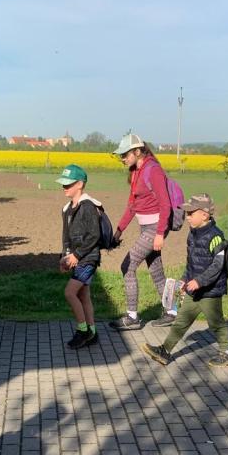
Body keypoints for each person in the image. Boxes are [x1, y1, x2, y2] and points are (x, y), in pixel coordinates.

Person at [140, 194, 228, 369]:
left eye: (191, 213)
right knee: (181, 321)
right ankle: (164, 351)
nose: (188, 217)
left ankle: (226, 354)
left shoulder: (215, 236)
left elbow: (218, 265)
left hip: (210, 291)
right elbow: (191, 262)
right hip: (194, 288)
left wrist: (199, 281)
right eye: (187, 213)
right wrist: (185, 278)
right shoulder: (192, 234)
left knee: (216, 323)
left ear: (204, 215)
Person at [109, 133, 175, 331]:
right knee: (156, 270)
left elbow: (165, 205)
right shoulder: (136, 172)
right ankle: (171, 312)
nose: (122, 158)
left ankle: (132, 317)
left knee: (127, 266)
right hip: (147, 227)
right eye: (121, 155)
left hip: (155, 227)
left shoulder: (153, 170)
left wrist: (160, 234)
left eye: (125, 154)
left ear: (137, 151)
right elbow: (132, 206)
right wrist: (118, 231)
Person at [57, 163, 102, 350]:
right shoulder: (67, 209)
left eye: (68, 183)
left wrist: (77, 255)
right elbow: (66, 237)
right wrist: (64, 257)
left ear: (80, 184)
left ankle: (82, 331)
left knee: (70, 293)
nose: (64, 187)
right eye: (63, 183)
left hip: (88, 258)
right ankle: (92, 332)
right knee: (83, 294)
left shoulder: (88, 206)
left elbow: (94, 235)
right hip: (77, 258)